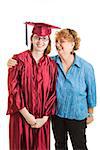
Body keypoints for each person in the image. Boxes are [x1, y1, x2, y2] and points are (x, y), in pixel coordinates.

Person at [8, 28, 97, 150]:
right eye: (57, 41)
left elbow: (91, 93)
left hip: (77, 115)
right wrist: (10, 62)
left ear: (73, 44)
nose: (58, 44)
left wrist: (90, 113)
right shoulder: (52, 62)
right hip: (58, 115)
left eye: (63, 41)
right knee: (59, 145)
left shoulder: (85, 67)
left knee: (80, 146)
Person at [6, 21, 60, 150]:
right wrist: (27, 115)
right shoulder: (18, 60)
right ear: (31, 38)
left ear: (48, 41)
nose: (40, 42)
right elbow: (14, 89)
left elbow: (52, 93)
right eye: (37, 37)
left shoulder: (52, 65)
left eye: (44, 38)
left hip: (41, 119)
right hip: (21, 117)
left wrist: (45, 118)